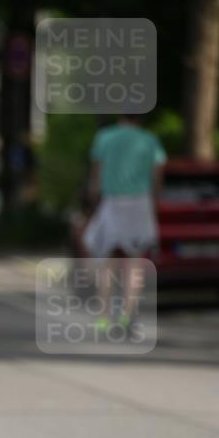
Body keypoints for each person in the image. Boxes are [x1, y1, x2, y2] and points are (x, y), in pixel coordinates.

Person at [84, 115, 166, 335]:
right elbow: (157, 175)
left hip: (112, 201)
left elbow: (96, 173)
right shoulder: (149, 140)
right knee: (134, 263)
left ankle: (103, 316)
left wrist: (93, 201)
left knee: (107, 262)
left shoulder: (105, 137)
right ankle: (127, 315)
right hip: (140, 203)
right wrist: (154, 201)